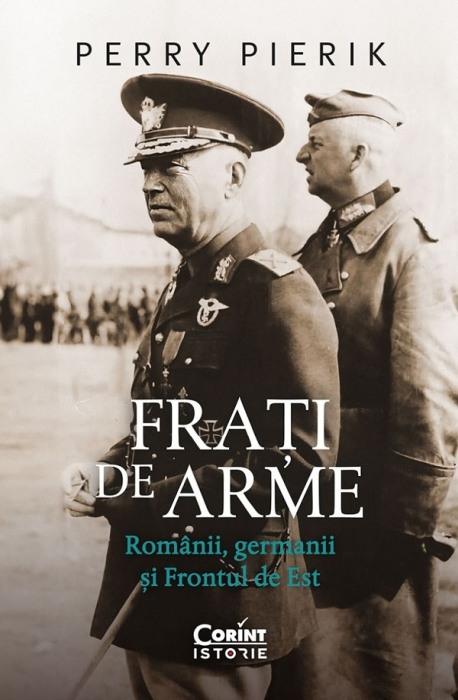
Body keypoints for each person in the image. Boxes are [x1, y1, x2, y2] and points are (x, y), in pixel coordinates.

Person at [63, 74, 340, 700]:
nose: (149, 184)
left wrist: (142, 502)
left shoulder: (275, 292)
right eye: (146, 167)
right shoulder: (187, 285)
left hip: (222, 597)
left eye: (173, 165)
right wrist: (111, 471)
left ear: (234, 176)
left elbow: (301, 465)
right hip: (156, 591)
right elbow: (168, 423)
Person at [270, 90, 458, 700]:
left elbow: (428, 399)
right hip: (310, 508)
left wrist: (404, 530)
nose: (300, 155)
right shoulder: (316, 247)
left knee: (375, 677)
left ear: (358, 154)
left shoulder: (410, 247)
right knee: (307, 679)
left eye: (314, 143)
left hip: (376, 521)